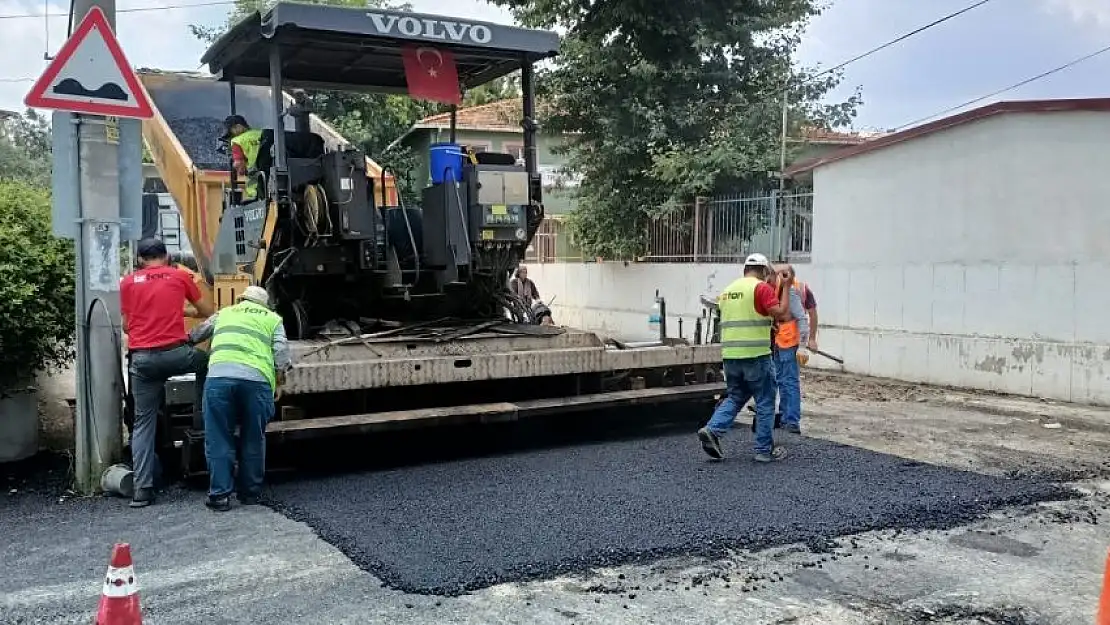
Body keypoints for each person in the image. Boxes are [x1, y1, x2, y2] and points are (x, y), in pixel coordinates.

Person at [120, 237, 213, 508]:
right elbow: (208, 312)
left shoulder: (127, 282)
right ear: (167, 255)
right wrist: (183, 310)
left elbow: (127, 326)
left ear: (140, 259)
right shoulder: (179, 276)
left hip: (143, 362)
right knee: (206, 362)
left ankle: (142, 490)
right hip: (177, 354)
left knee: (142, 424)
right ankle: (201, 415)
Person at [187, 285, 292, 511]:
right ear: (264, 304)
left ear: (241, 299)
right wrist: (280, 381)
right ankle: (249, 493)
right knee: (253, 437)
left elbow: (196, 335)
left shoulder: (225, 313)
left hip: (219, 381)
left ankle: (220, 496)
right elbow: (282, 355)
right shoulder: (273, 319)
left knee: (218, 437)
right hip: (257, 383)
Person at [697, 253, 791, 463]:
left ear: (745, 269)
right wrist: (786, 286)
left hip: (731, 357)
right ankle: (763, 450)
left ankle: (712, 429)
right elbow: (783, 314)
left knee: (736, 396)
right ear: (765, 272)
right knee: (765, 402)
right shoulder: (761, 288)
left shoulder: (728, 291)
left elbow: (747, 315)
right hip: (756, 356)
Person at [771, 264, 810, 435]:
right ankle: (785, 416)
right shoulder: (775, 290)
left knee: (790, 382)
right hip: (779, 342)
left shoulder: (790, 292)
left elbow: (802, 318)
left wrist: (802, 346)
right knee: (781, 381)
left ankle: (792, 420)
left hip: (790, 343)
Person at [221, 115, 263, 201]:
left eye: (230, 132)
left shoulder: (237, 141)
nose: (230, 137)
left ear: (238, 127)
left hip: (255, 186)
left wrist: (235, 167)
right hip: (270, 182)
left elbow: (239, 165)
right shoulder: (261, 133)